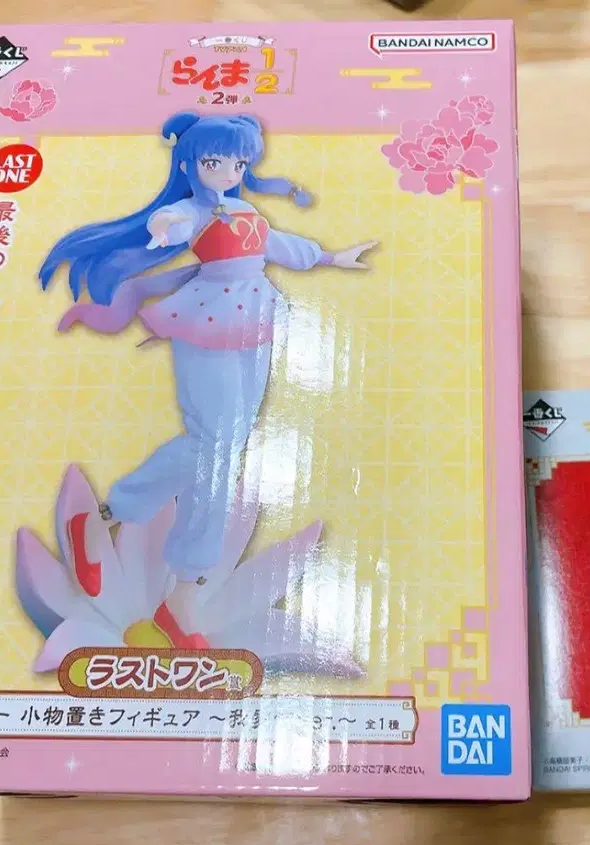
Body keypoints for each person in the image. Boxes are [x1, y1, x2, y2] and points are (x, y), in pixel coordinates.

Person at [39, 111, 375, 646]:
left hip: (256, 320)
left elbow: (278, 244)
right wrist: (163, 227)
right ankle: (127, 536)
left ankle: (162, 577)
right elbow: (169, 222)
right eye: (216, 161)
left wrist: (332, 257)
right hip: (206, 321)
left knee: (225, 448)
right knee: (215, 446)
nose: (228, 172)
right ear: (189, 163)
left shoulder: (244, 209)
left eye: (238, 163)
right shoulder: (190, 211)